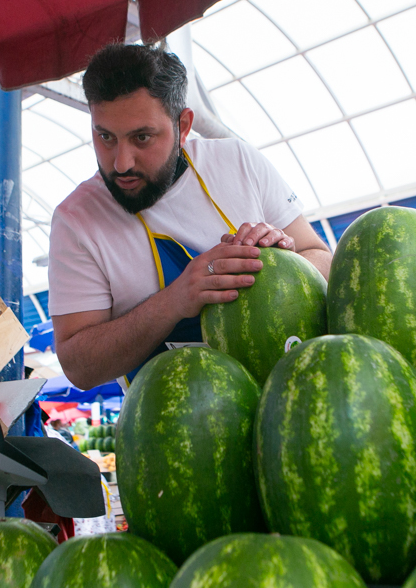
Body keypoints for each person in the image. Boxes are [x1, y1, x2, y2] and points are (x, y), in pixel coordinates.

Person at [49, 43, 332, 390]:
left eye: (142, 137)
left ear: (183, 126)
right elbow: (79, 366)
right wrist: (175, 300)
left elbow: (322, 258)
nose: (121, 162)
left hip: (288, 398)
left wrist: (283, 261)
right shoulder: (75, 220)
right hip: (178, 431)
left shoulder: (237, 161)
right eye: (105, 136)